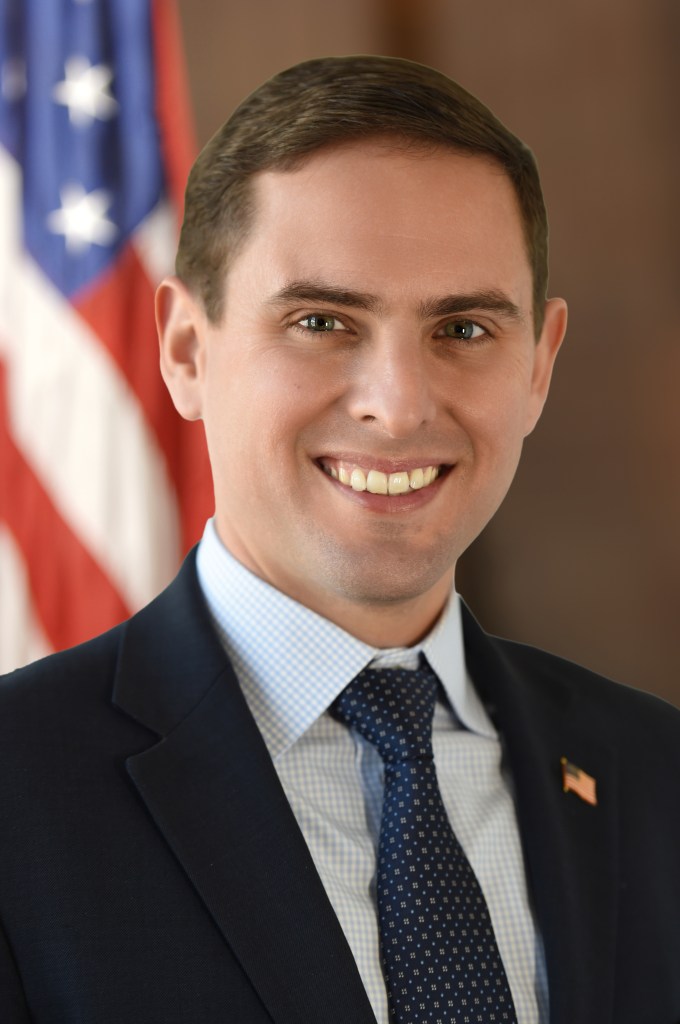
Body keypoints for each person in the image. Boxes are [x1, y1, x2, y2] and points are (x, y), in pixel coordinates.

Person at [0, 55, 679, 1024]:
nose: (398, 407)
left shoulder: (654, 776)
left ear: (538, 365)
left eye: (463, 328)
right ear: (188, 351)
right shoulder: (18, 797)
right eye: (321, 320)